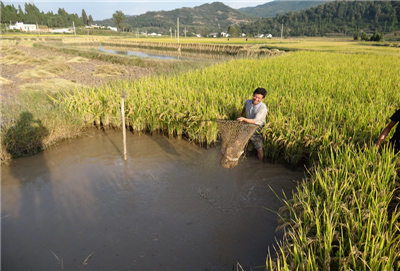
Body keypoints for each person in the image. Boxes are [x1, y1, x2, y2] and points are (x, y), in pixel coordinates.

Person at [237, 87, 268, 161]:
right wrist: (241, 115)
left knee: (258, 146)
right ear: (253, 94)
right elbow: (244, 107)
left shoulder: (263, 108)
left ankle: (260, 162)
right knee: (238, 139)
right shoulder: (248, 102)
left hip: (257, 126)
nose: (256, 99)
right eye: (255, 96)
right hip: (248, 123)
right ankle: (236, 155)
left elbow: (255, 121)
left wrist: (244, 119)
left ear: (262, 99)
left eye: (259, 98)